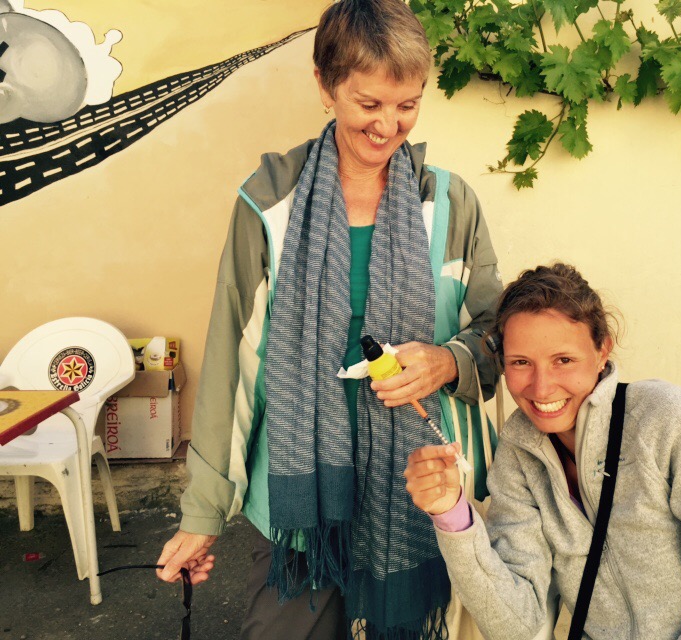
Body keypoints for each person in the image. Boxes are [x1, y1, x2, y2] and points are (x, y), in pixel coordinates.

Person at [155, 1, 503, 639]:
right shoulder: (270, 206)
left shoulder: (452, 203)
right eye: (369, 104)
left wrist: (446, 361)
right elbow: (234, 360)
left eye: (408, 105)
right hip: (303, 494)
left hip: (422, 486)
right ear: (325, 85)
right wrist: (203, 515)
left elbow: (495, 333)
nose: (388, 125)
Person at [405, 263, 681, 640]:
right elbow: (514, 625)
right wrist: (450, 512)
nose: (542, 388)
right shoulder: (518, 453)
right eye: (521, 362)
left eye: (563, 360)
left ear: (602, 350)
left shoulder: (672, 421)